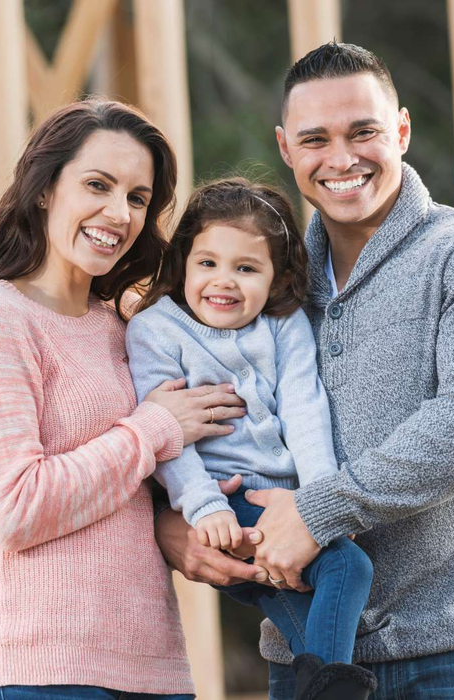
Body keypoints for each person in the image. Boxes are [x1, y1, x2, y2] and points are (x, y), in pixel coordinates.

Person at [153, 43, 454, 700]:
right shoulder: (262, 289)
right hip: (304, 657)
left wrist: (319, 511)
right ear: (287, 149)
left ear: (400, 129)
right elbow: (188, 412)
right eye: (316, 139)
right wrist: (174, 527)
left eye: (362, 132)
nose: (340, 159)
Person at [0, 99, 255, 700]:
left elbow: (125, 493)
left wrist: (188, 512)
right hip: (34, 671)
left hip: (152, 671)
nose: (118, 212)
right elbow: (14, 507)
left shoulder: (127, 328)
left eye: (137, 197)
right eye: (97, 185)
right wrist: (155, 427)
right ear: (45, 190)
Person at [126, 178, 377, 699]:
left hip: (286, 505)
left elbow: (306, 409)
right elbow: (168, 436)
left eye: (246, 268)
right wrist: (202, 507)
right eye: (208, 263)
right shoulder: (155, 330)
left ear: (277, 277)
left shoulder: (282, 325)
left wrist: (323, 501)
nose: (224, 282)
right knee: (346, 567)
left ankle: (325, 689)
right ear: (184, 263)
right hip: (221, 506)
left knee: (335, 580)